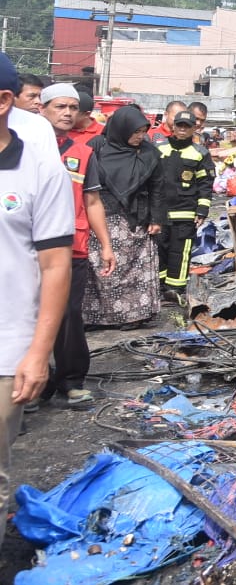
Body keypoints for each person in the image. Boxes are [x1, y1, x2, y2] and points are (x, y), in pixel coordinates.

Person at [0, 53, 73, 551]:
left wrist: (37, 351)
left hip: (7, 346)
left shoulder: (41, 170)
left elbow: (55, 266)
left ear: (3, 102)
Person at [38, 83, 112, 407]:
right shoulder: (22, 148)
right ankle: (32, 381)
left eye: (72, 107)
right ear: (42, 110)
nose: (67, 112)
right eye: (60, 107)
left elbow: (92, 200)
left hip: (73, 247)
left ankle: (70, 381)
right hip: (28, 247)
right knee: (24, 316)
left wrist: (106, 245)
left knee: (69, 316)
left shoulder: (83, 154)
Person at [81, 106, 164, 328]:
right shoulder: (98, 146)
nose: (140, 136)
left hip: (135, 218)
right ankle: (97, 317)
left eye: (143, 131)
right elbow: (85, 183)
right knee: (101, 268)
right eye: (135, 131)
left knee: (133, 269)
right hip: (102, 217)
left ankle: (132, 315)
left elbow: (157, 187)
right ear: (121, 129)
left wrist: (156, 218)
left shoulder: (149, 153)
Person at [155, 109, 211, 300]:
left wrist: (202, 210)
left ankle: (176, 289)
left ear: (194, 129)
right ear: (173, 126)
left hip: (185, 212)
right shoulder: (159, 148)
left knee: (179, 251)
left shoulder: (200, 153)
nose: (182, 130)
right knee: (159, 249)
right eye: (180, 125)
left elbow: (205, 184)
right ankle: (160, 286)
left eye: (187, 127)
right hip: (160, 212)